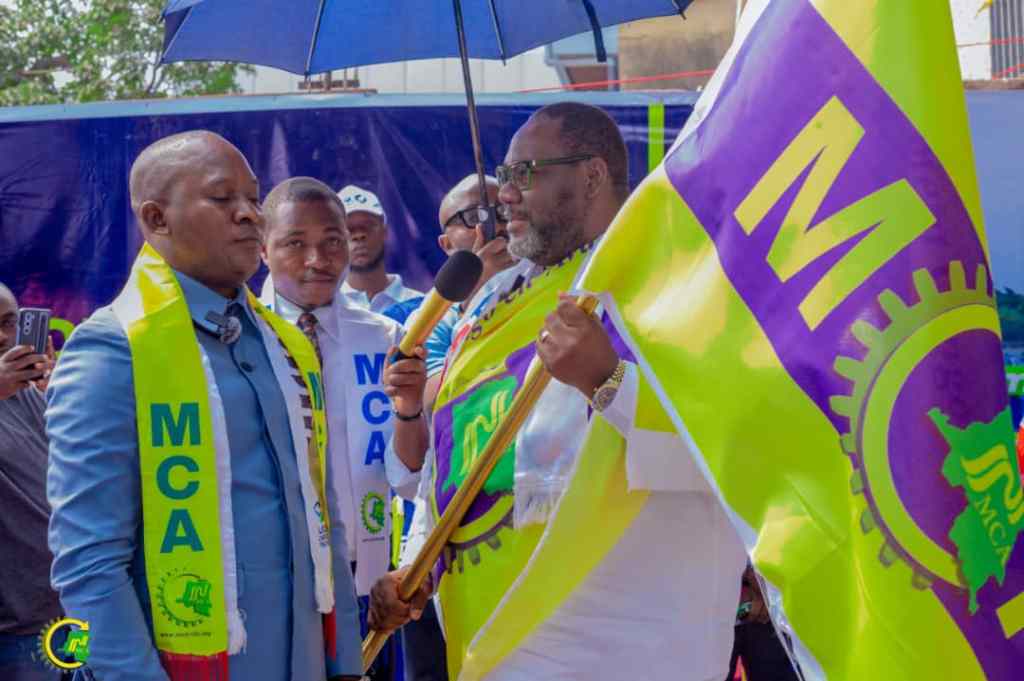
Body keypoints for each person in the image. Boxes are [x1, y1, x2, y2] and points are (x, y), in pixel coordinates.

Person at [370, 102, 747, 681]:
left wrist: (608, 380)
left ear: (592, 175)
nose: (506, 195)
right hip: (491, 644)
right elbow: (455, 458)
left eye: (526, 174)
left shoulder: (678, 277)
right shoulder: (494, 300)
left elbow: (736, 454)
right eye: (506, 175)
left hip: (622, 641)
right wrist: (415, 564)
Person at [46, 131, 362, 681]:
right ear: (156, 218)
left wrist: (346, 666)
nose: (249, 216)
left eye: (252, 198)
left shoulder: (283, 345)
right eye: (222, 199)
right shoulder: (114, 349)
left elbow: (322, 519)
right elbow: (89, 564)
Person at [258, 175, 427, 681]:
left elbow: (410, 477)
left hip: (362, 584)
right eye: (295, 243)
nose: (318, 259)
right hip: (273, 587)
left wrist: (411, 406)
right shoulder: (240, 337)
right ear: (263, 250)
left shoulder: (385, 338)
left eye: (333, 242)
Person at [0, 283, 62, 680]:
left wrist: (61, 390)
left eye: (9, 322)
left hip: (67, 613)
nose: (3, 337)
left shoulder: (31, 393)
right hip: (13, 633)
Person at [338, 184, 423, 313]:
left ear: (385, 232)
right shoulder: (321, 313)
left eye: (368, 225)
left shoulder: (422, 307)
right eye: (347, 228)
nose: (359, 235)